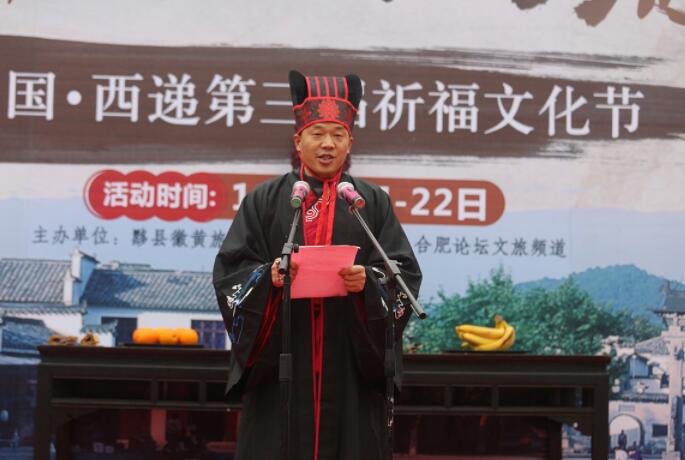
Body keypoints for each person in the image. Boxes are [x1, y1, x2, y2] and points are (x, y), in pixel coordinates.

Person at [213, 70, 422, 460]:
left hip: (349, 358)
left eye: (338, 135)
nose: (327, 144)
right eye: (317, 134)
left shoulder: (370, 202)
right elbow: (231, 271)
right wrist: (268, 278)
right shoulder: (264, 200)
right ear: (299, 140)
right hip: (284, 354)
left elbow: (403, 271)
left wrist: (369, 282)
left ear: (349, 143)